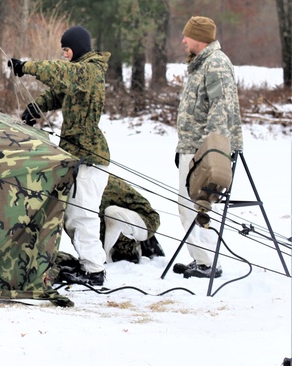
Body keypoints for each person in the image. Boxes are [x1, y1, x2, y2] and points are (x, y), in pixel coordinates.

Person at [8, 25, 111, 287]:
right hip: (76, 154)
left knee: (82, 215)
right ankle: (89, 263)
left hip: (91, 157)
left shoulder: (89, 71)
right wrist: (36, 107)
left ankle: (94, 270)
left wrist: (27, 67)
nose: (64, 54)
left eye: (66, 49)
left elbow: (62, 73)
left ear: (76, 48)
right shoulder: (80, 75)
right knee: (72, 214)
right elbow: (58, 93)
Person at [172, 15, 243, 279]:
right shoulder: (200, 64)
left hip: (204, 151)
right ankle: (202, 260)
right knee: (186, 204)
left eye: (187, 36)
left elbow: (220, 111)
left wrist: (212, 154)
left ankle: (208, 262)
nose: (183, 40)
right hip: (191, 147)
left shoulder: (216, 64)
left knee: (195, 205)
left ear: (199, 39)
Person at [100, 175, 164, 263]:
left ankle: (131, 250)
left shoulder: (101, 183)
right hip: (129, 221)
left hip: (147, 221)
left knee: (112, 213)